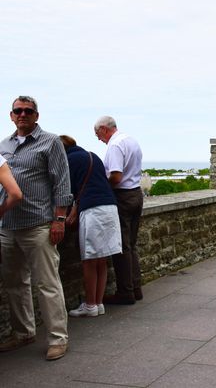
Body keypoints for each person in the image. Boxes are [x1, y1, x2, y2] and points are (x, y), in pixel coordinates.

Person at [0, 96, 72, 361]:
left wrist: (59, 220)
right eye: (18, 111)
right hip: (7, 226)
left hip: (38, 225)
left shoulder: (50, 142)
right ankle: (23, 333)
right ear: (11, 115)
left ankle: (57, 338)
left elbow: (62, 183)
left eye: (28, 111)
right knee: (15, 284)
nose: (23, 115)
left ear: (36, 115)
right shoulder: (4, 145)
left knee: (47, 284)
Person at [60, 135, 122, 318]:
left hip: (93, 210)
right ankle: (99, 303)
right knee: (102, 259)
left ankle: (90, 305)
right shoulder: (92, 155)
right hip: (110, 207)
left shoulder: (69, 160)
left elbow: (68, 191)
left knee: (89, 260)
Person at [94, 116, 144, 305]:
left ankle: (125, 292)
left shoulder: (115, 145)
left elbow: (115, 176)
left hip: (122, 196)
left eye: (98, 134)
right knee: (131, 244)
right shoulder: (130, 140)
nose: (99, 139)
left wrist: (101, 187)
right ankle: (136, 288)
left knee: (121, 247)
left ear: (104, 129)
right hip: (135, 194)